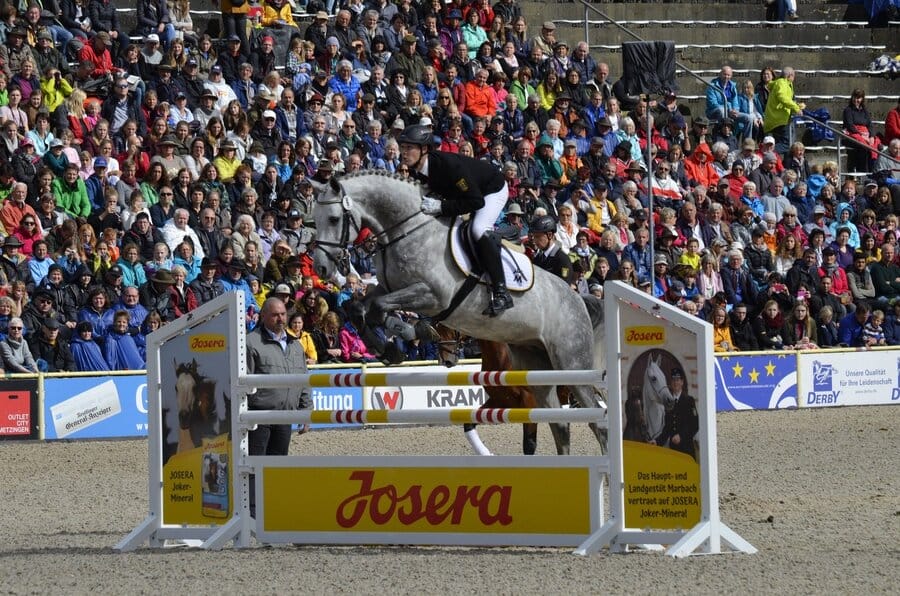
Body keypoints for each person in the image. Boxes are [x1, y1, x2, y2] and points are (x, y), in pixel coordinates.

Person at [400, 123, 513, 316]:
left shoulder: (448, 167)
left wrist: (442, 207)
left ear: (424, 149)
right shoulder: (414, 170)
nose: (403, 153)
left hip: (491, 189)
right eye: (402, 148)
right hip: (466, 194)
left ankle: (501, 291)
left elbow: (475, 201)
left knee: (477, 228)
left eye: (409, 148)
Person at [245, 297, 311, 512]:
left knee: (278, 462)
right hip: (259, 415)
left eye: (283, 314)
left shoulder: (295, 344)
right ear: (263, 316)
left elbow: (304, 378)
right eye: (275, 314)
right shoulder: (250, 342)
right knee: (256, 463)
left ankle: (272, 506)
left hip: (286, 414)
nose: (281, 318)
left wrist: (306, 411)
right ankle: (253, 510)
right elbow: (244, 381)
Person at [659, 367, 698, 460]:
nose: (675, 383)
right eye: (673, 380)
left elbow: (695, 424)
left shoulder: (689, 401)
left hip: (686, 450)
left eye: (678, 380)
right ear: (670, 383)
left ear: (682, 382)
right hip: (673, 451)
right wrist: (657, 442)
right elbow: (667, 428)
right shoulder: (669, 402)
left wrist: (681, 436)